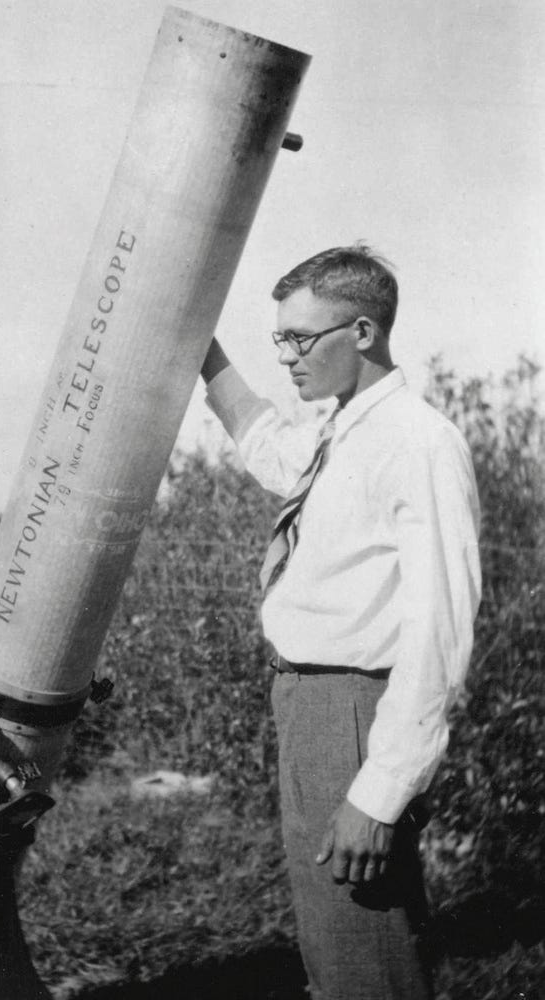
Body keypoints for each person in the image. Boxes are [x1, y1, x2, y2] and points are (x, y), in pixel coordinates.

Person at [200, 245, 481, 1000]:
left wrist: (378, 792)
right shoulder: (345, 427)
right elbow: (269, 448)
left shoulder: (418, 443)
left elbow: (439, 633)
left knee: (365, 959)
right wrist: (205, 352)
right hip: (310, 705)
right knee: (340, 947)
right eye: (278, 340)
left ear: (360, 332)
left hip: (354, 713)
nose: (286, 356)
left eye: (300, 339)